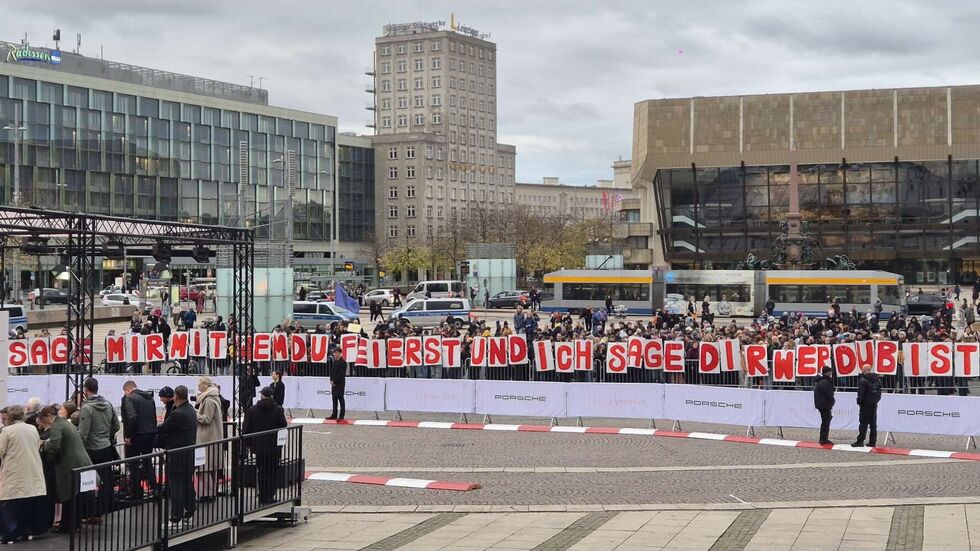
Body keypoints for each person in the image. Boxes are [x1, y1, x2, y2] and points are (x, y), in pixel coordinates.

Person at [38, 404, 93, 534]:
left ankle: (66, 525)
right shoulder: (66, 423)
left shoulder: (58, 426)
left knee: (67, 495)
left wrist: (43, 444)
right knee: (76, 495)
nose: (45, 424)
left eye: (44, 420)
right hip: (79, 461)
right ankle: (75, 523)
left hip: (68, 463)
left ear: (49, 417)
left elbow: (55, 444)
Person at [0, 405, 48, 543]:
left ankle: (9, 535)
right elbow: (38, 445)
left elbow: (0, 450)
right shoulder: (32, 428)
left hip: (14, 472)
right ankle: (28, 532)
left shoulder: (7, 431)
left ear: (9, 416)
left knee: (10, 505)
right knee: (28, 503)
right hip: (33, 471)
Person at [78, 377, 120, 522]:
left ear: (85, 390)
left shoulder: (86, 408)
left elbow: (83, 434)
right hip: (106, 447)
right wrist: (106, 436)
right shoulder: (108, 404)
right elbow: (116, 426)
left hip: (91, 450)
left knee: (88, 482)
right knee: (106, 481)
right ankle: (102, 511)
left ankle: (89, 513)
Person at [155, 385, 197, 528]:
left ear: (175, 397)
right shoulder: (190, 410)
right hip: (188, 453)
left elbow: (162, 429)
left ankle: (175, 518)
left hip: (177, 454)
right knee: (187, 485)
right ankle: (189, 513)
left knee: (176, 487)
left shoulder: (177, 413)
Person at [243, 387, 288, 505]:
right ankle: (270, 495)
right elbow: (283, 425)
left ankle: (262, 496)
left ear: (262, 396)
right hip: (273, 447)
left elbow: (246, 428)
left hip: (259, 447)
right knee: (272, 472)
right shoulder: (278, 409)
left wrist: (247, 444)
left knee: (261, 471)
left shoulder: (252, 410)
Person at [122, 380, 158, 499]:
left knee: (134, 464)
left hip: (137, 435)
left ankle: (136, 492)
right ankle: (155, 489)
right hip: (150, 433)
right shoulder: (149, 398)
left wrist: (128, 436)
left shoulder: (130, 399)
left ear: (127, 390)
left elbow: (131, 418)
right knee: (148, 462)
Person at [194, 377, 225, 500]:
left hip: (207, 437)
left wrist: (194, 414)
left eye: (199, 385)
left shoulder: (209, 400)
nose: (198, 388)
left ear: (205, 386)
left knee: (205, 467)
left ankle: (206, 494)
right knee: (210, 467)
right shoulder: (213, 398)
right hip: (212, 437)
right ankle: (210, 492)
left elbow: (206, 419)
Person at [852, 364, 882, 448]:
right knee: (873, 424)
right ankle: (873, 442)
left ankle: (860, 441)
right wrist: (876, 401)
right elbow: (879, 393)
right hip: (874, 404)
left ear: (864, 370)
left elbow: (861, 394)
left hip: (865, 405)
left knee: (863, 423)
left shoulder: (863, 380)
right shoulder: (877, 380)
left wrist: (859, 402)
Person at [813, 366, 836, 445]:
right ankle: (823, 439)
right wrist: (832, 401)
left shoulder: (822, 381)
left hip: (822, 404)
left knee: (825, 420)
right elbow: (828, 394)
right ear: (828, 372)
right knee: (826, 421)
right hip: (824, 405)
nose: (831, 373)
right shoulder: (825, 382)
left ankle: (823, 438)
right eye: (830, 371)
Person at [328, 347, 347, 420]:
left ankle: (341, 416)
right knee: (334, 400)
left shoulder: (343, 362)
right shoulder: (334, 361)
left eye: (335, 352)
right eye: (334, 353)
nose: (334, 354)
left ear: (339, 353)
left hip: (339, 384)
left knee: (341, 399)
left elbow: (341, 374)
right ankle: (334, 414)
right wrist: (331, 380)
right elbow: (332, 372)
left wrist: (334, 381)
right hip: (334, 384)